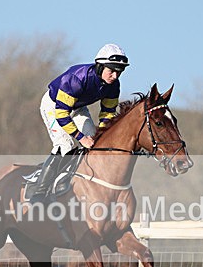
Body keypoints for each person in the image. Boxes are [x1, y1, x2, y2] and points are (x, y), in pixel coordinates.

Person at [30, 44, 130, 202]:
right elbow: (61, 114)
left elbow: (108, 113)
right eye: (112, 70)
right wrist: (81, 137)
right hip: (54, 106)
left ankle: (76, 180)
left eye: (120, 72)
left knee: (96, 143)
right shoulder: (77, 78)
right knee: (66, 145)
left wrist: (101, 133)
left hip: (77, 108)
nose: (115, 76)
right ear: (100, 67)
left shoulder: (113, 86)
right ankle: (39, 191)